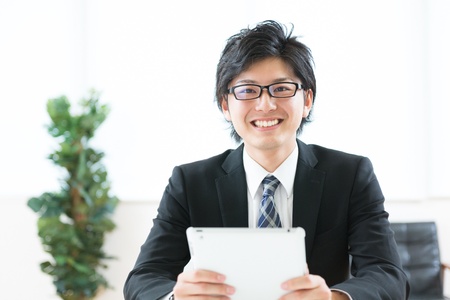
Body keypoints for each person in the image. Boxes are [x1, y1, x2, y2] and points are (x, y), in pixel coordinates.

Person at [124, 20, 409, 300]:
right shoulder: (190, 183)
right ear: (225, 104)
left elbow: (387, 274)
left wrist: (333, 298)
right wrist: (176, 297)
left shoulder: (350, 175)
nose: (265, 105)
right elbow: (144, 279)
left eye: (281, 88)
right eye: (247, 91)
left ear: (307, 99)